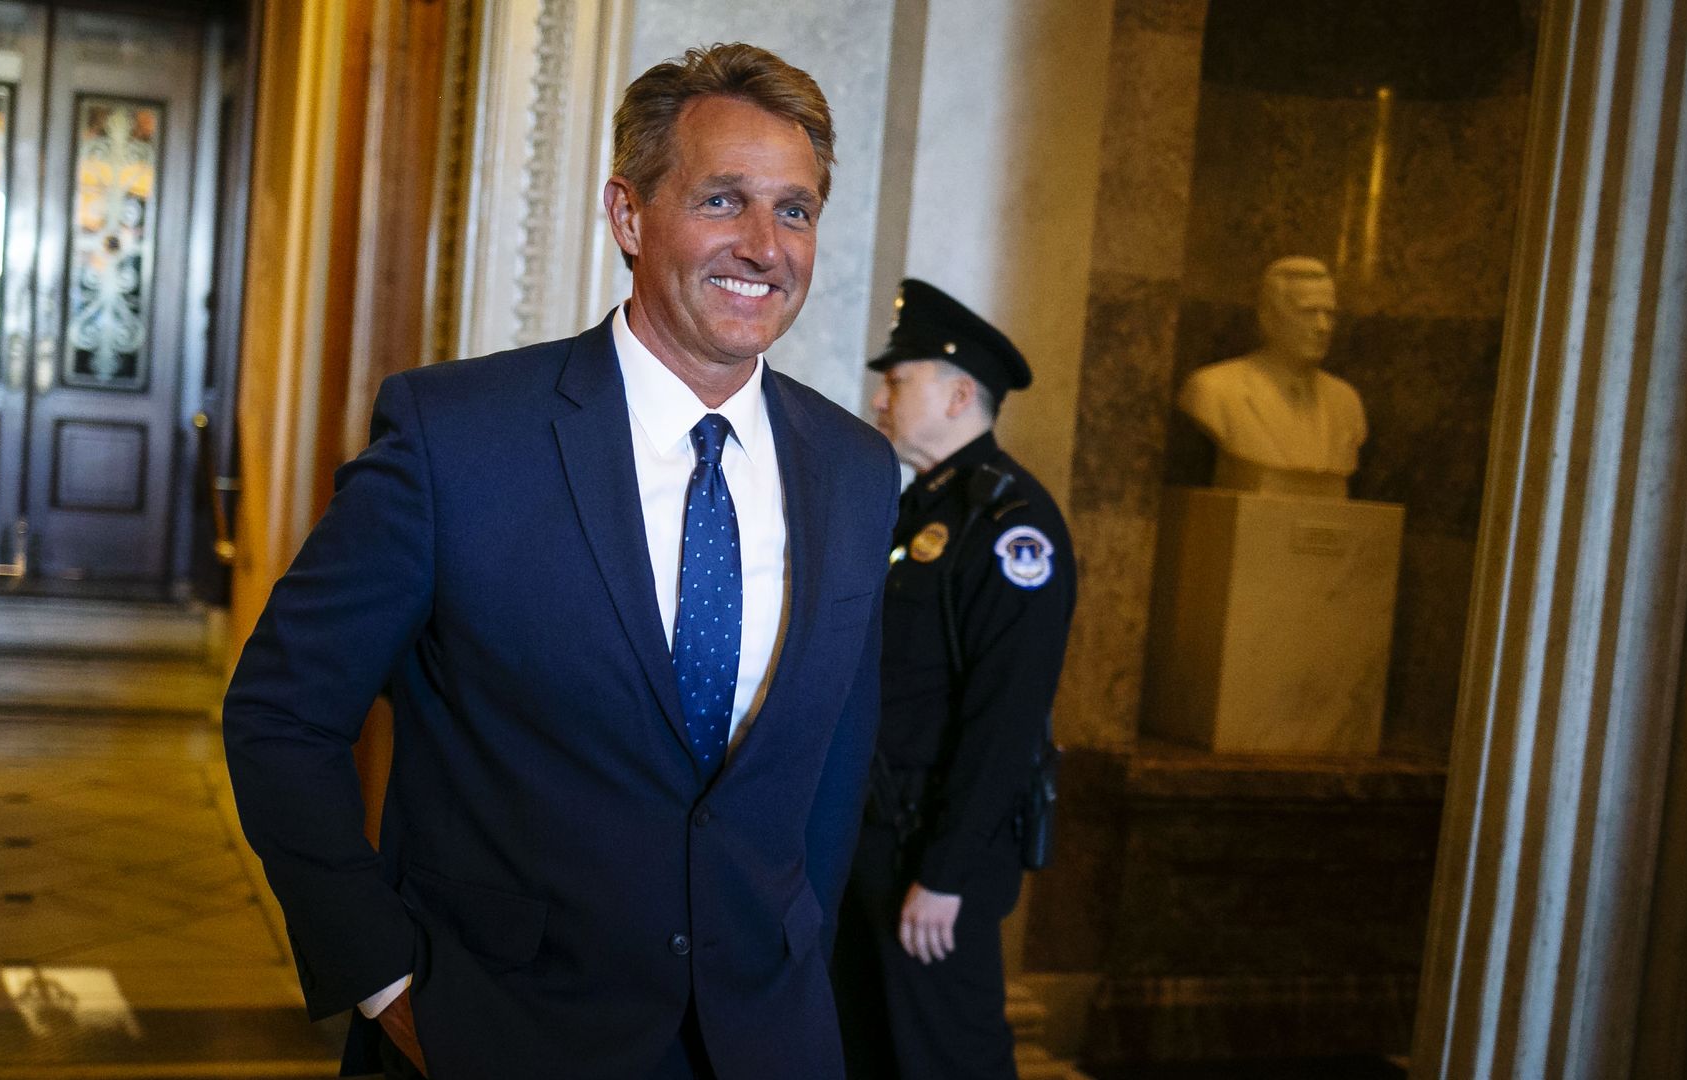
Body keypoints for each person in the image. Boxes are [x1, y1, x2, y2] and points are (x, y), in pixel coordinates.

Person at [223, 44, 900, 1080]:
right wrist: (385, 982)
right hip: (495, 1036)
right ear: (628, 215)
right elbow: (282, 714)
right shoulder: (457, 438)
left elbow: (830, 775)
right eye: (724, 201)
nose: (765, 246)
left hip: (765, 1043)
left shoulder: (855, 471)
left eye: (795, 210)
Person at [832, 279, 1076, 1079]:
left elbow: (1005, 721)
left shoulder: (1013, 529)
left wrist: (944, 873)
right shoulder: (922, 509)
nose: (879, 397)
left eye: (898, 381)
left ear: (960, 393)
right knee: (865, 1050)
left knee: (944, 1058)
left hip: (932, 855)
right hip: (872, 836)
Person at [1175, 256, 1366, 497]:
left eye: (1329, 314)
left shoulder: (1346, 401)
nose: (1322, 326)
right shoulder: (1213, 389)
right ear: (1268, 317)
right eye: (1308, 312)